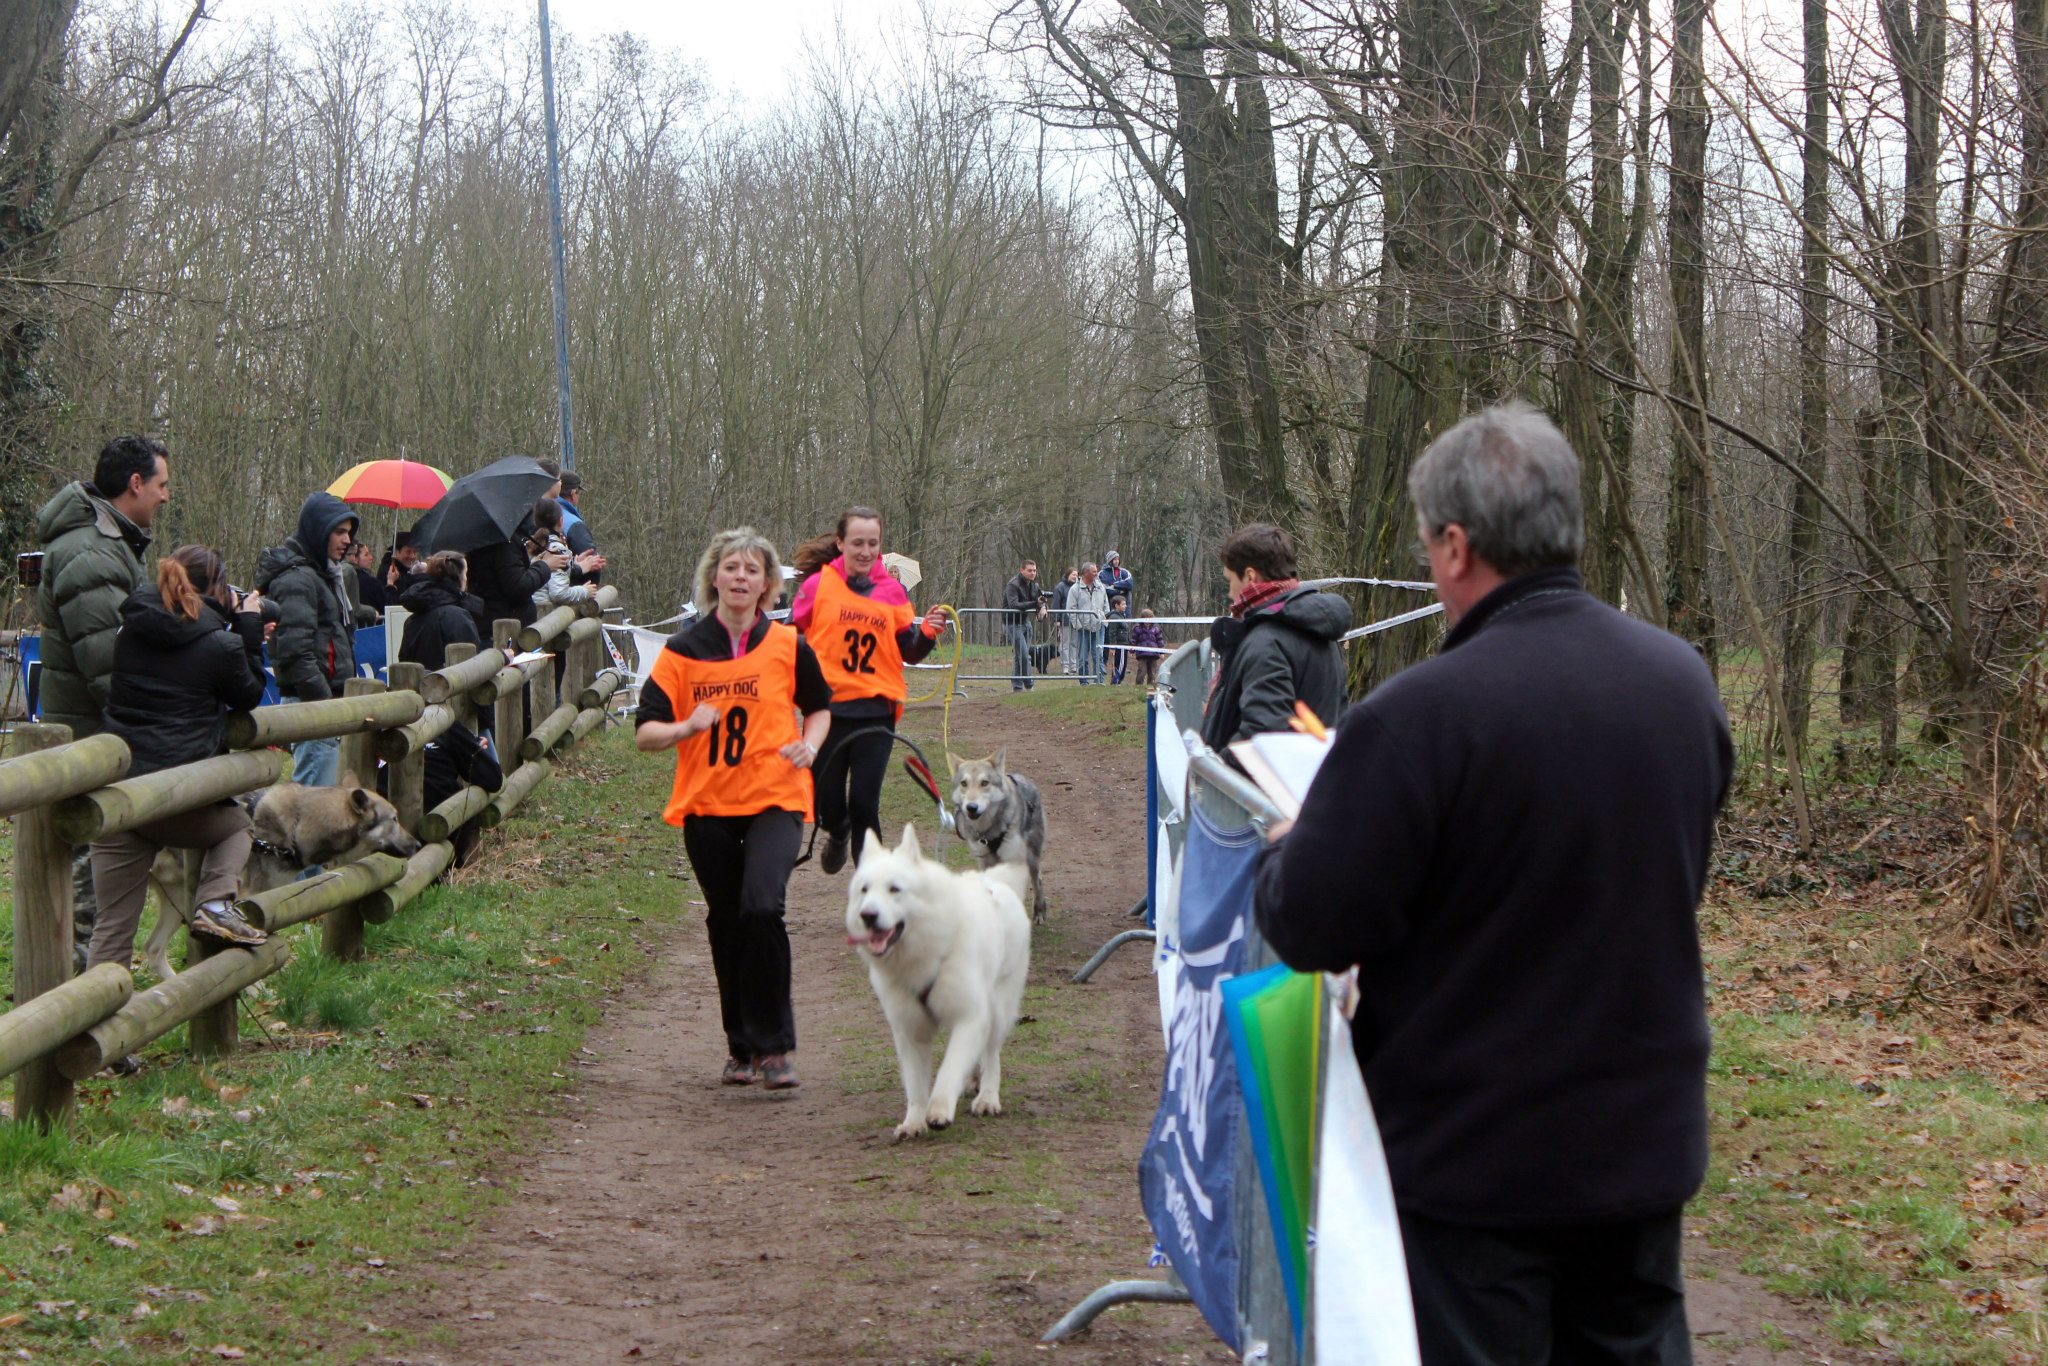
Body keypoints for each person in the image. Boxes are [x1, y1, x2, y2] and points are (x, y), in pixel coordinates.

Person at [1253, 404, 1734, 1366]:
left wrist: (1289, 843)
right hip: (1640, 1143)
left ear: (1458, 546)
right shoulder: (1681, 683)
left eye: (1432, 543)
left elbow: (1310, 921)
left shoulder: (1418, 718)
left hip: (1478, 1162)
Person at [637, 528, 832, 1090]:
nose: (741, 577)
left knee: (761, 907)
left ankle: (774, 1047)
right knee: (725, 920)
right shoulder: (683, 651)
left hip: (776, 795)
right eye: (731, 568)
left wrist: (811, 745)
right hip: (707, 803)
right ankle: (739, 1046)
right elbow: (644, 732)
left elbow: (819, 708)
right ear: (714, 577)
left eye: (752, 570)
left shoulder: (788, 645)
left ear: (767, 583)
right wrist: (685, 727)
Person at [88, 544, 270, 981]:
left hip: (121, 795)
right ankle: (212, 904)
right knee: (238, 826)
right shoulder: (221, 644)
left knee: (112, 930)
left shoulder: (130, 631)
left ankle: (94, 1040)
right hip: (177, 798)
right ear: (218, 589)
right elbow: (248, 694)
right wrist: (247, 628)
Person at [34, 434, 169, 966]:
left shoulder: (111, 545)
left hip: (101, 738)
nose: (165, 497)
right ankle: (72, 1019)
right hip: (92, 743)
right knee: (87, 895)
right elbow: (112, 669)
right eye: (161, 485)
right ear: (135, 484)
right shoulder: (90, 553)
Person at [790, 506, 947, 873]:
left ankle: (870, 894)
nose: (865, 551)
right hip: (826, 712)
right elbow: (791, 641)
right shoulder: (817, 587)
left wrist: (927, 632)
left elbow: (908, 649)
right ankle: (837, 830)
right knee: (827, 804)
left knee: (864, 805)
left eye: (872, 544)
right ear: (841, 542)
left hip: (876, 711)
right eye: (857, 542)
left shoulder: (892, 592)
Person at [1197, 523, 1350, 756]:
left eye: (1230, 581)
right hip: (1313, 779)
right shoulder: (1317, 627)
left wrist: (1214, 769)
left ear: (1250, 576)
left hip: (1268, 788)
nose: (1230, 593)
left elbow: (1262, 737)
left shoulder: (1266, 642)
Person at [257, 492, 361, 786]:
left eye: (349, 534)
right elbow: (294, 653)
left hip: (325, 703)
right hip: (313, 705)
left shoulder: (323, 576)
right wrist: (326, 706)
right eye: (339, 532)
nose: (347, 541)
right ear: (319, 530)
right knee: (312, 807)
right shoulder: (297, 579)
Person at [465, 509, 564, 634]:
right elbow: (518, 586)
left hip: (492, 620)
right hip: (507, 627)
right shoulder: (504, 544)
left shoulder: (480, 538)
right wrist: (545, 566)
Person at [529, 497, 594, 611]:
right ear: (561, 521)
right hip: (546, 617)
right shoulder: (555, 549)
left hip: (533, 613)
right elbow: (558, 594)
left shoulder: (534, 545)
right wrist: (584, 591)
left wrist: (573, 565)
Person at [1001, 559, 1046, 692]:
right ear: (1022, 570)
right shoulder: (1013, 585)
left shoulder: (1034, 585)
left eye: (1034, 570)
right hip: (1012, 624)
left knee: (1019, 657)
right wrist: (1035, 604)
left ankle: (1017, 687)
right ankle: (1029, 684)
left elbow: (1041, 599)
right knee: (1025, 656)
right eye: (1029, 570)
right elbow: (1014, 605)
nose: (1033, 573)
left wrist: (1043, 607)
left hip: (1026, 623)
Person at [1065, 562, 1110, 685]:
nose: (1097, 574)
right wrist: (1078, 625)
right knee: (1083, 658)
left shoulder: (1100, 587)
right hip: (1083, 629)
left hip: (1098, 627)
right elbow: (1071, 609)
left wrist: (1104, 619)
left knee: (1098, 655)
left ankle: (1099, 681)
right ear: (1086, 573)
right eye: (1094, 572)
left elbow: (1106, 605)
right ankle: (1084, 682)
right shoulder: (1075, 589)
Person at [1051, 567, 1078, 675]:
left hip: (1076, 619)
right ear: (1067, 575)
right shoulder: (1060, 587)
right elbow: (1056, 604)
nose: (1075, 577)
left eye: (1076, 575)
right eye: (1073, 575)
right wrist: (1056, 618)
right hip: (1065, 619)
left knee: (1074, 643)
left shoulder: (1078, 587)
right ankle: (1065, 665)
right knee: (1065, 643)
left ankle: (1074, 665)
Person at [1130, 611, 1166, 687]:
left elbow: (1160, 640)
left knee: (1152, 673)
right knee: (1141, 672)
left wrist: (1162, 652)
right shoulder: (1137, 628)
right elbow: (1133, 640)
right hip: (1142, 654)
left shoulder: (1156, 628)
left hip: (1153, 654)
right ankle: (1138, 687)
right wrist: (1132, 651)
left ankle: (1151, 687)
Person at [1105, 594, 1131, 684]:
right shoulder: (1114, 617)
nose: (1125, 606)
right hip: (1119, 645)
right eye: (1123, 604)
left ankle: (1118, 680)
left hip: (1124, 644)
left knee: (1123, 664)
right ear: (1116, 605)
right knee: (1120, 664)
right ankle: (1116, 680)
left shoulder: (1122, 616)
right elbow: (1112, 633)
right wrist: (1113, 646)